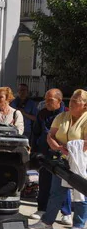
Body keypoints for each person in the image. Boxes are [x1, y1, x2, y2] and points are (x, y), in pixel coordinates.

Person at [30, 89, 87, 229]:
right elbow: (51, 135)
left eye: (76, 102)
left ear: (84, 105)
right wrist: (59, 147)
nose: (72, 103)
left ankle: (78, 225)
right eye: (72, 100)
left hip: (81, 161)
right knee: (56, 192)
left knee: (79, 194)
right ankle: (47, 222)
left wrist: (70, 148)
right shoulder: (62, 116)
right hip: (61, 158)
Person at [30, 89, 70, 222]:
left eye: (50, 100)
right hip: (44, 153)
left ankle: (66, 213)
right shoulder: (42, 113)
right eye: (45, 99)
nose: (46, 102)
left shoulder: (67, 114)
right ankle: (42, 209)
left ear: (59, 100)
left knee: (63, 183)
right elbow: (35, 132)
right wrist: (33, 149)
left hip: (61, 153)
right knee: (44, 181)